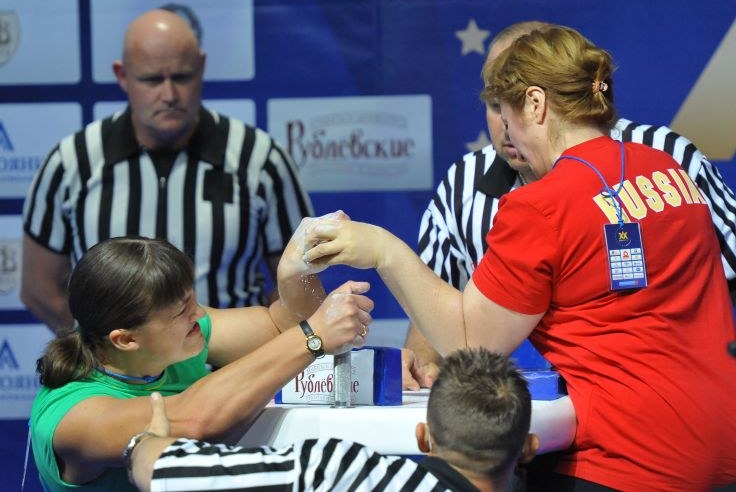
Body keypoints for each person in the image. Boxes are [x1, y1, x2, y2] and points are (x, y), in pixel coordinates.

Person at [301, 26, 736, 489]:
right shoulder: (668, 170)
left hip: (630, 462)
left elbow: (470, 345)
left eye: (507, 121)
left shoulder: (540, 206)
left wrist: (383, 249)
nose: (511, 144)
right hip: (724, 450)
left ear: (535, 104)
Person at [405, 20, 736, 387]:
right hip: (540, 406)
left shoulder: (668, 156)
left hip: (653, 395)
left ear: (537, 103)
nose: (505, 124)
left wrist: (384, 252)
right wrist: (419, 361)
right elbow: (436, 299)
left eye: (511, 103)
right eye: (495, 105)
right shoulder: (462, 184)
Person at [21, 7, 314, 333]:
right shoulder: (71, 163)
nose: (169, 95)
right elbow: (39, 290)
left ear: (201, 67)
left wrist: (264, 353)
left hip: (236, 365)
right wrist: (96, 350)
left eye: (182, 77)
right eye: (151, 80)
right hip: (112, 366)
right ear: (122, 75)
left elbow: (301, 284)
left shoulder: (261, 159)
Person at [29, 233, 373, 491]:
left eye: (193, 301)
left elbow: (280, 326)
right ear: (127, 339)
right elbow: (192, 422)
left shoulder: (171, 341)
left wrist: (295, 271)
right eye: (182, 311)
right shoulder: (72, 415)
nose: (200, 315)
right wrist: (312, 336)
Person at [125, 347, 538, 492]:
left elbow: (165, 472)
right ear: (528, 447)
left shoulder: (342, 470)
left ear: (423, 437)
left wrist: (146, 442)